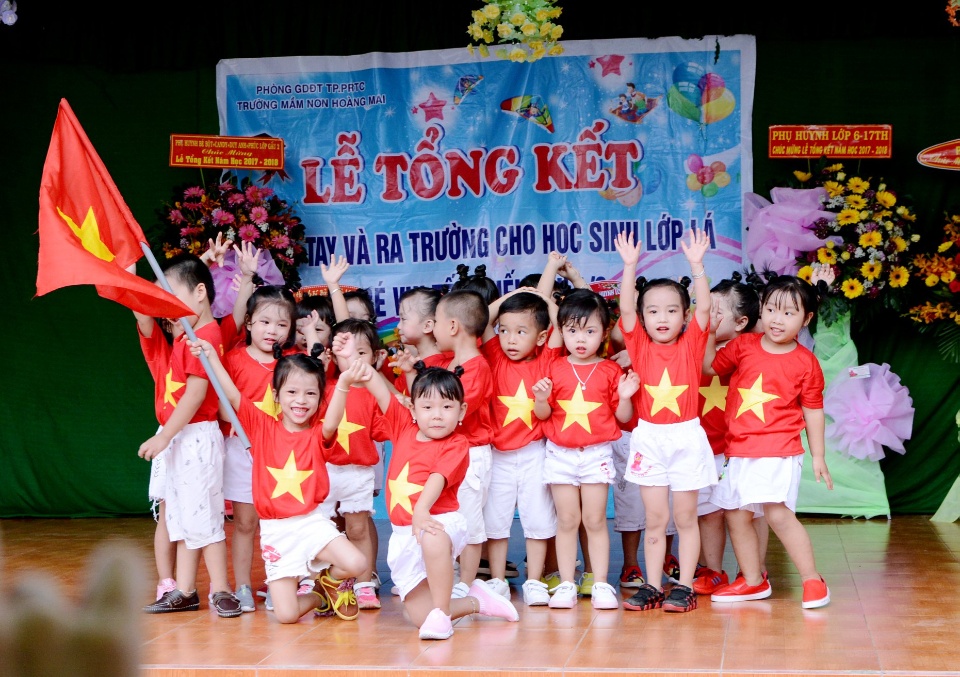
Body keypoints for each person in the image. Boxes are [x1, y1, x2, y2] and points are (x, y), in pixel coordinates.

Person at [329, 344, 519, 640]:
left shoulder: (457, 443)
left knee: (431, 535)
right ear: (413, 409)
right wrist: (353, 358)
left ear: (461, 411)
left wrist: (421, 510)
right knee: (418, 617)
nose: (437, 415)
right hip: (404, 533)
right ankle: (477, 601)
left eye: (447, 407)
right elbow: (377, 386)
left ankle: (442, 615)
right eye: (428, 407)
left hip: (440, 521)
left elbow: (437, 477)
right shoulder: (402, 426)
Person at [188, 339, 368, 623]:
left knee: (357, 563)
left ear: (320, 398)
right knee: (286, 615)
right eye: (292, 392)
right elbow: (232, 395)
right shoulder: (261, 427)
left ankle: (332, 580)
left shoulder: (317, 434)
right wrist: (211, 357)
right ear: (276, 395)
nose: (301, 400)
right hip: (276, 531)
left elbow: (332, 422)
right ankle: (321, 594)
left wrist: (343, 383)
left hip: (311, 522)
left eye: (311, 393)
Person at [706, 274, 834, 609]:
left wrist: (818, 455)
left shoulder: (806, 362)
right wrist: (709, 333)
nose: (778, 319)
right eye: (772, 309)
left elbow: (813, 410)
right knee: (736, 515)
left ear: (806, 319)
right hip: (738, 450)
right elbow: (710, 368)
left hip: (779, 451)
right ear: (761, 309)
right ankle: (753, 581)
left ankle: (813, 581)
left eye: (789, 313)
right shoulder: (743, 346)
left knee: (778, 515)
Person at [614, 228, 717, 613]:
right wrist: (629, 266)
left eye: (672, 310)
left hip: (686, 438)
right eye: (653, 311)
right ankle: (653, 586)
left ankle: (684, 586)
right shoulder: (639, 344)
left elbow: (705, 309)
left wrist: (697, 265)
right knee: (655, 519)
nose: (662, 317)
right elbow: (625, 310)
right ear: (643, 318)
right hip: (649, 439)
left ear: (684, 316)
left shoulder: (691, 344)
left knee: (685, 517)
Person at [137, 253, 241, 618]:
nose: (168, 309)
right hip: (181, 437)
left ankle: (222, 589)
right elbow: (143, 312)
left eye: (173, 297)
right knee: (182, 517)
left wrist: (164, 437)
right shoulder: (185, 337)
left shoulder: (205, 335)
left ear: (200, 293)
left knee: (205, 516)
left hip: (195, 437)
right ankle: (184, 590)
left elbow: (196, 394)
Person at [532, 258, 638, 611]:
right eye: (573, 330)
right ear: (562, 331)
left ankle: (601, 583)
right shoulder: (553, 366)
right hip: (560, 455)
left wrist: (625, 396)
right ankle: (566, 583)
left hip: (596, 455)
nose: (581, 338)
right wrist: (541, 399)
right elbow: (542, 415)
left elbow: (623, 418)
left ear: (604, 333)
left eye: (590, 331)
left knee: (594, 520)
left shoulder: (610, 370)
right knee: (567, 520)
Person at [220, 283, 298, 612]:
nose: (272, 331)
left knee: (281, 523)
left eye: (281, 324)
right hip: (242, 451)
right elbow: (224, 406)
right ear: (249, 322)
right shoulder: (234, 359)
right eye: (265, 322)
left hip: (283, 453)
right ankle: (242, 587)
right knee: (245, 523)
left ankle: (279, 583)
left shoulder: (294, 361)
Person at [479, 286, 558, 605]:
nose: (510, 339)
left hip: (533, 454)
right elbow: (482, 320)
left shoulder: (547, 359)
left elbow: (559, 324)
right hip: (497, 456)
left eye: (521, 332)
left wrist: (544, 301)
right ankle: (497, 580)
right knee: (495, 522)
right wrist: (511, 296)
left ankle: (535, 581)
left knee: (537, 520)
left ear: (541, 337)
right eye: (504, 331)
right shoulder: (495, 355)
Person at [692, 275, 766, 595]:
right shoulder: (693, 344)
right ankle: (712, 571)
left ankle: (755, 573)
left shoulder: (752, 348)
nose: (708, 315)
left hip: (740, 448)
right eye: (705, 307)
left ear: (741, 322)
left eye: (717, 311)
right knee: (707, 512)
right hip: (703, 447)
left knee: (751, 513)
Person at [427, 289, 496, 597]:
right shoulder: (449, 363)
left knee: (469, 521)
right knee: (448, 516)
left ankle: (466, 585)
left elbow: (455, 413)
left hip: (471, 455)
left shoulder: (477, 367)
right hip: (451, 453)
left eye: (436, 321)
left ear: (453, 326)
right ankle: (452, 576)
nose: (433, 329)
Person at [319, 318, 391, 610]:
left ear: (375, 357)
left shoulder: (374, 394)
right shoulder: (326, 389)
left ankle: (363, 584)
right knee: (321, 528)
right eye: (347, 353)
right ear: (334, 356)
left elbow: (385, 428)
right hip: (325, 470)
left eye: (362, 353)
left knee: (358, 530)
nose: (355, 359)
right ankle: (314, 582)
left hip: (359, 473)